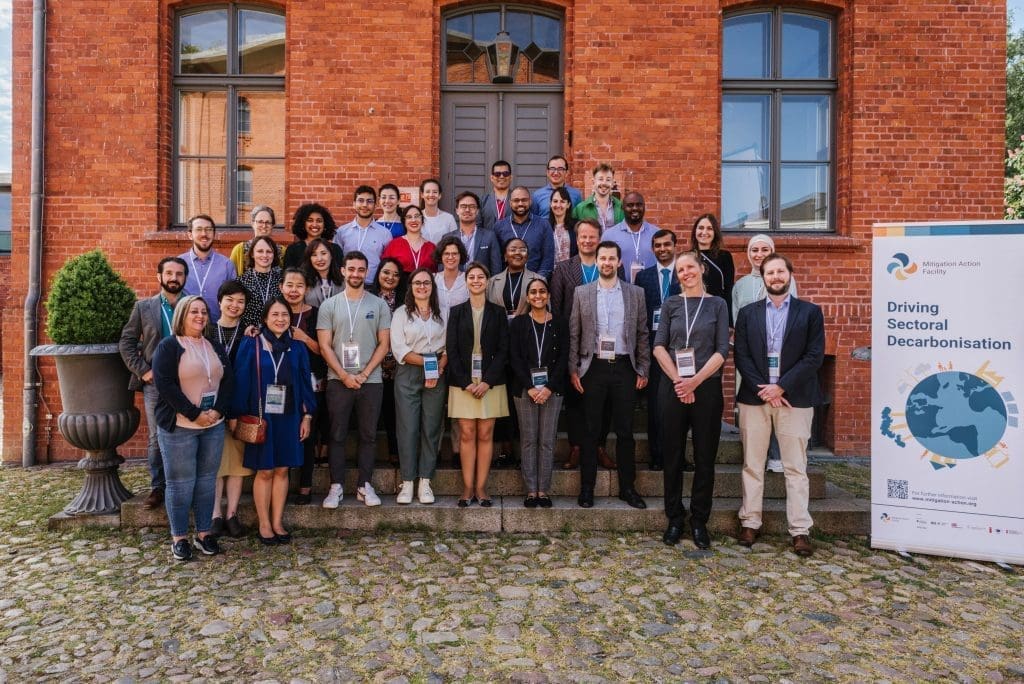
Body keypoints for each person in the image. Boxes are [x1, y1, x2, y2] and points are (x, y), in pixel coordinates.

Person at [735, 253, 824, 558]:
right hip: (755, 398)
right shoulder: (747, 313)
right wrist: (765, 390)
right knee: (753, 464)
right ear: (763, 278)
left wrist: (781, 386)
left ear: (789, 275)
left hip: (794, 399)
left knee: (795, 467)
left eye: (780, 271)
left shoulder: (810, 312)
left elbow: (814, 356)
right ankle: (750, 521)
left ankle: (799, 529)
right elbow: (742, 356)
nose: (775, 276)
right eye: (770, 272)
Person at [653, 251, 730, 550]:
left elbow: (722, 350)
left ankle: (699, 520)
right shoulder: (671, 303)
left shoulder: (718, 304)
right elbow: (659, 347)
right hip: (673, 387)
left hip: (706, 388)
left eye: (689, 267)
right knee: (672, 456)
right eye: (680, 270)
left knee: (704, 457)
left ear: (701, 269)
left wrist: (694, 381)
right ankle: (674, 517)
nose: (685, 273)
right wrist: (678, 381)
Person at [568, 241, 649, 509]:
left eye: (611, 258)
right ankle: (587, 488)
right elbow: (574, 333)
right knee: (591, 431)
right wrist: (573, 369)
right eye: (602, 258)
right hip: (593, 367)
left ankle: (628, 488)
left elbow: (642, 334)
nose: (606, 263)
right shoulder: (582, 292)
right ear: (597, 261)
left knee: (625, 431)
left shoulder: (635, 293)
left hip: (625, 367)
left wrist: (643, 367)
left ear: (619, 262)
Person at [151, 295, 232, 560]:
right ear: (182, 315)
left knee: (207, 481)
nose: (200, 316)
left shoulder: (214, 346)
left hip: (213, 425)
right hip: (180, 426)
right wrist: (194, 414)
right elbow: (165, 385)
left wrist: (218, 410)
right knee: (180, 483)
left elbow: (228, 381)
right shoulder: (169, 346)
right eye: (193, 311)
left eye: (204, 312)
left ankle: (204, 533)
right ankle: (179, 538)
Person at [232, 296, 316, 545]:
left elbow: (305, 383)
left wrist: (307, 416)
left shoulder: (297, 347)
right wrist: (236, 414)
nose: (280, 319)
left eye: (285, 315)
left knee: (282, 469)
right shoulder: (252, 343)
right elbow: (240, 381)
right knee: (265, 470)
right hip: (262, 416)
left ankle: (278, 521)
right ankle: (264, 524)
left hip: (289, 416)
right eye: (275, 315)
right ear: (265, 318)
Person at [316, 251, 392, 508]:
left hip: (371, 381)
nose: (356, 273)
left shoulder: (379, 305)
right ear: (343, 271)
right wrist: (344, 375)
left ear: (366, 272)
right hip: (338, 380)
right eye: (351, 269)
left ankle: (364, 485)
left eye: (361, 269)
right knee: (337, 434)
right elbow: (324, 346)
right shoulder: (329, 305)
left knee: (368, 435)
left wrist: (364, 373)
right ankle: (336, 486)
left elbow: (384, 344)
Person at [119, 256, 188, 510]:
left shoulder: (193, 305)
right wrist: (143, 371)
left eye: (179, 274)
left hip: (187, 380)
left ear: (185, 278)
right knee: (157, 435)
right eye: (169, 273)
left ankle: (183, 485)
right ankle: (158, 487)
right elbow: (126, 342)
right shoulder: (144, 307)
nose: (174, 278)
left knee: (187, 432)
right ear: (159, 277)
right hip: (156, 382)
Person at [550, 220, 617, 471]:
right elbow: (557, 309)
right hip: (574, 344)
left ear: (599, 238)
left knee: (605, 400)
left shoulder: (608, 266)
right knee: (575, 399)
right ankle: (576, 446)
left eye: (592, 237)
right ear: (576, 239)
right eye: (583, 237)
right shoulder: (563, 269)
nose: (587, 241)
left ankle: (599, 446)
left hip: (605, 344)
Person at [732, 234, 799, 474]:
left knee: (776, 403)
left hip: (778, 356)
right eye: (754, 250)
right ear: (748, 254)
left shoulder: (786, 280)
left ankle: (776, 454)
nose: (759, 254)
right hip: (750, 357)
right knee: (753, 404)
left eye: (764, 249)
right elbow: (736, 321)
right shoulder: (740, 286)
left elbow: (793, 317)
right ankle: (754, 455)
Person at [446, 262, 509, 507]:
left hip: (490, 382)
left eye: (480, 277)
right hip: (463, 383)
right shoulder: (456, 312)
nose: (476, 280)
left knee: (485, 434)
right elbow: (451, 350)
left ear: (487, 281)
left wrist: (487, 381)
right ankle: (467, 487)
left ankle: (481, 488)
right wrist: (466, 382)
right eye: (471, 277)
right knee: (467, 434)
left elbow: (504, 350)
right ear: (466, 282)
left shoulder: (498, 312)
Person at [509, 278, 568, 508]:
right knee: (528, 440)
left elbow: (563, 358)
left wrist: (549, 387)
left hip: (552, 390)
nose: (538, 295)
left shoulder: (560, 323)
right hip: (525, 389)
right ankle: (530, 490)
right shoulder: (519, 323)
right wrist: (531, 387)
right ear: (527, 297)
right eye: (533, 292)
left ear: (549, 295)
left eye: (542, 291)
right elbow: (514, 358)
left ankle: (543, 490)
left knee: (547, 441)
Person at [391, 267, 449, 504]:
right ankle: (407, 482)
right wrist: (429, 364)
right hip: (409, 372)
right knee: (408, 427)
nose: (422, 287)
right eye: (417, 283)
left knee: (431, 426)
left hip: (437, 372)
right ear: (411, 287)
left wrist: (439, 366)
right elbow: (400, 349)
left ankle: (425, 481)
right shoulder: (401, 314)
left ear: (432, 287)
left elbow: (448, 346)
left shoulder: (443, 312)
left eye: (426, 283)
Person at [634, 229, 682, 472]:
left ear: (675, 246)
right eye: (658, 245)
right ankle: (657, 455)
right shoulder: (643, 277)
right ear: (653, 249)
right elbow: (639, 316)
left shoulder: (684, 274)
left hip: (680, 349)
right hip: (653, 348)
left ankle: (678, 456)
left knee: (680, 405)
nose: (662, 249)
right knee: (655, 405)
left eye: (666, 244)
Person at [207, 280, 251, 538]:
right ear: (220, 301)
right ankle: (215, 514)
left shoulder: (249, 333)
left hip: (239, 404)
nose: (235, 305)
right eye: (230, 300)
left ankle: (232, 514)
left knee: (236, 462)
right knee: (214, 462)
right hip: (211, 405)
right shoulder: (207, 331)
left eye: (240, 301)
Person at [280, 268, 323, 506]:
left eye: (299, 286)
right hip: (280, 384)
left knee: (308, 434)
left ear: (306, 289)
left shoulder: (315, 314)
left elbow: (323, 350)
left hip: (311, 383)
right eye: (289, 285)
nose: (294, 290)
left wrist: (304, 337)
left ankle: (305, 487)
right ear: (281, 287)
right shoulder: (275, 312)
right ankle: (281, 484)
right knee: (284, 432)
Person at [369, 257, 407, 466]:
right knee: (370, 411)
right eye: (386, 272)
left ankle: (395, 451)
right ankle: (368, 453)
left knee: (394, 410)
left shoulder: (405, 301)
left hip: (397, 363)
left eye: (395, 274)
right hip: (371, 363)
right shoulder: (367, 297)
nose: (390, 277)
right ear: (378, 274)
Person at [178, 214, 237, 323]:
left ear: (214, 234)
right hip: (186, 327)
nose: (204, 234)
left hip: (217, 327)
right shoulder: (179, 264)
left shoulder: (227, 265)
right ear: (190, 235)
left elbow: (234, 299)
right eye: (199, 229)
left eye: (208, 230)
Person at [494, 186, 556, 280]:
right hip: (507, 281)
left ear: (530, 201)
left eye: (524, 200)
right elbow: (496, 260)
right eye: (516, 200)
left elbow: (548, 258)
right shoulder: (499, 227)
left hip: (536, 282)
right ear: (510, 203)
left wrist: (537, 281)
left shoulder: (543, 225)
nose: (520, 203)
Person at [334, 185, 393, 280]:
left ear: (375, 205)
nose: (365, 205)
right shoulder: (342, 232)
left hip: (373, 284)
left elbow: (387, 264)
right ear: (354, 204)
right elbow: (336, 260)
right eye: (361, 200)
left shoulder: (385, 234)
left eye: (369, 201)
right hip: (347, 283)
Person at [446, 190, 503, 276]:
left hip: (481, 283)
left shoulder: (489, 236)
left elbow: (496, 270)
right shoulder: (447, 238)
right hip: (456, 283)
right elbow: (442, 268)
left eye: (472, 207)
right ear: (457, 210)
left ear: (477, 211)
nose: (467, 210)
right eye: (463, 206)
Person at [606, 192, 659, 283]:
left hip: (651, 288)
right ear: (622, 208)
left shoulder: (656, 233)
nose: (635, 208)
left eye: (639, 205)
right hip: (620, 288)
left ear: (644, 207)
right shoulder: (609, 235)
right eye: (630, 205)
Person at [692, 212, 735, 323]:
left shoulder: (725, 256)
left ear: (715, 232)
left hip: (716, 313)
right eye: (701, 228)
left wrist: (729, 322)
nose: (704, 232)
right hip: (692, 312)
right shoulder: (687, 256)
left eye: (709, 228)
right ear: (695, 231)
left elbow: (728, 290)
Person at [486, 238, 541, 319]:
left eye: (522, 250)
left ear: (527, 256)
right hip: (498, 326)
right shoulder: (492, 282)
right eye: (513, 250)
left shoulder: (539, 280)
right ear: (505, 256)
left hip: (528, 325)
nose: (518, 253)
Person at [237, 235, 283, 331]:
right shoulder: (241, 282)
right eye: (260, 251)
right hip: (250, 334)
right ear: (252, 254)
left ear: (274, 254)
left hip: (276, 333)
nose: (265, 255)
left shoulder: (282, 280)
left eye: (269, 252)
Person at [381, 204, 436, 273]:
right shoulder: (393, 245)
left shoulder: (431, 247)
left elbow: (436, 273)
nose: (413, 220)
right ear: (404, 222)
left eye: (417, 216)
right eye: (409, 217)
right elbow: (384, 270)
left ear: (422, 220)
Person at [284, 203, 340, 269]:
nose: (314, 224)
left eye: (319, 221)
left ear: (325, 225)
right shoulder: (293, 250)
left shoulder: (335, 249)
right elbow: (288, 274)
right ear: (303, 224)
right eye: (310, 220)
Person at [230, 205, 283, 275]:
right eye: (260, 222)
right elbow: (231, 277)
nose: (264, 226)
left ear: (272, 225)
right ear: (252, 224)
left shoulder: (282, 251)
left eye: (268, 222)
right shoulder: (239, 250)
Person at [573, 163, 624, 233]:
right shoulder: (580, 209)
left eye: (608, 180)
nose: (604, 183)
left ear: (612, 183)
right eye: (600, 179)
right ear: (593, 182)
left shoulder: (621, 207)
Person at [531, 154, 583, 218]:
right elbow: (533, 220)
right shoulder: (537, 195)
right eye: (552, 169)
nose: (556, 173)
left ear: (566, 173)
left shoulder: (576, 194)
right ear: (547, 172)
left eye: (560, 169)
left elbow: (579, 219)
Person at [302, 237, 345, 307]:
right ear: (309, 259)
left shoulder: (344, 281)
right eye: (314, 255)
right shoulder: (303, 281)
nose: (319, 259)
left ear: (331, 255)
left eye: (323, 253)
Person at [433, 236, 470, 316]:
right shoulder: (433, 279)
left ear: (460, 255)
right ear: (441, 256)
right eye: (446, 253)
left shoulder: (468, 279)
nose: (450, 257)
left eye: (454, 254)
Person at [478, 160, 513, 233]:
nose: (501, 176)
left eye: (505, 174)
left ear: (510, 177)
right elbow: (478, 227)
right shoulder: (482, 201)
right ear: (491, 178)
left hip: (512, 240)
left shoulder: (518, 200)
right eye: (497, 174)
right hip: (488, 240)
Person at [546, 186, 578, 265]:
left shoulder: (576, 226)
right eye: (555, 201)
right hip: (550, 271)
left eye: (562, 201)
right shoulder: (545, 226)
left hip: (571, 270)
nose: (558, 205)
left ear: (568, 205)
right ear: (550, 204)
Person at [419, 178, 457, 244]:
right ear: (422, 195)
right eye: (427, 191)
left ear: (439, 195)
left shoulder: (449, 218)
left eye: (435, 192)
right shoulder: (417, 217)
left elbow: (455, 242)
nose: (431, 195)